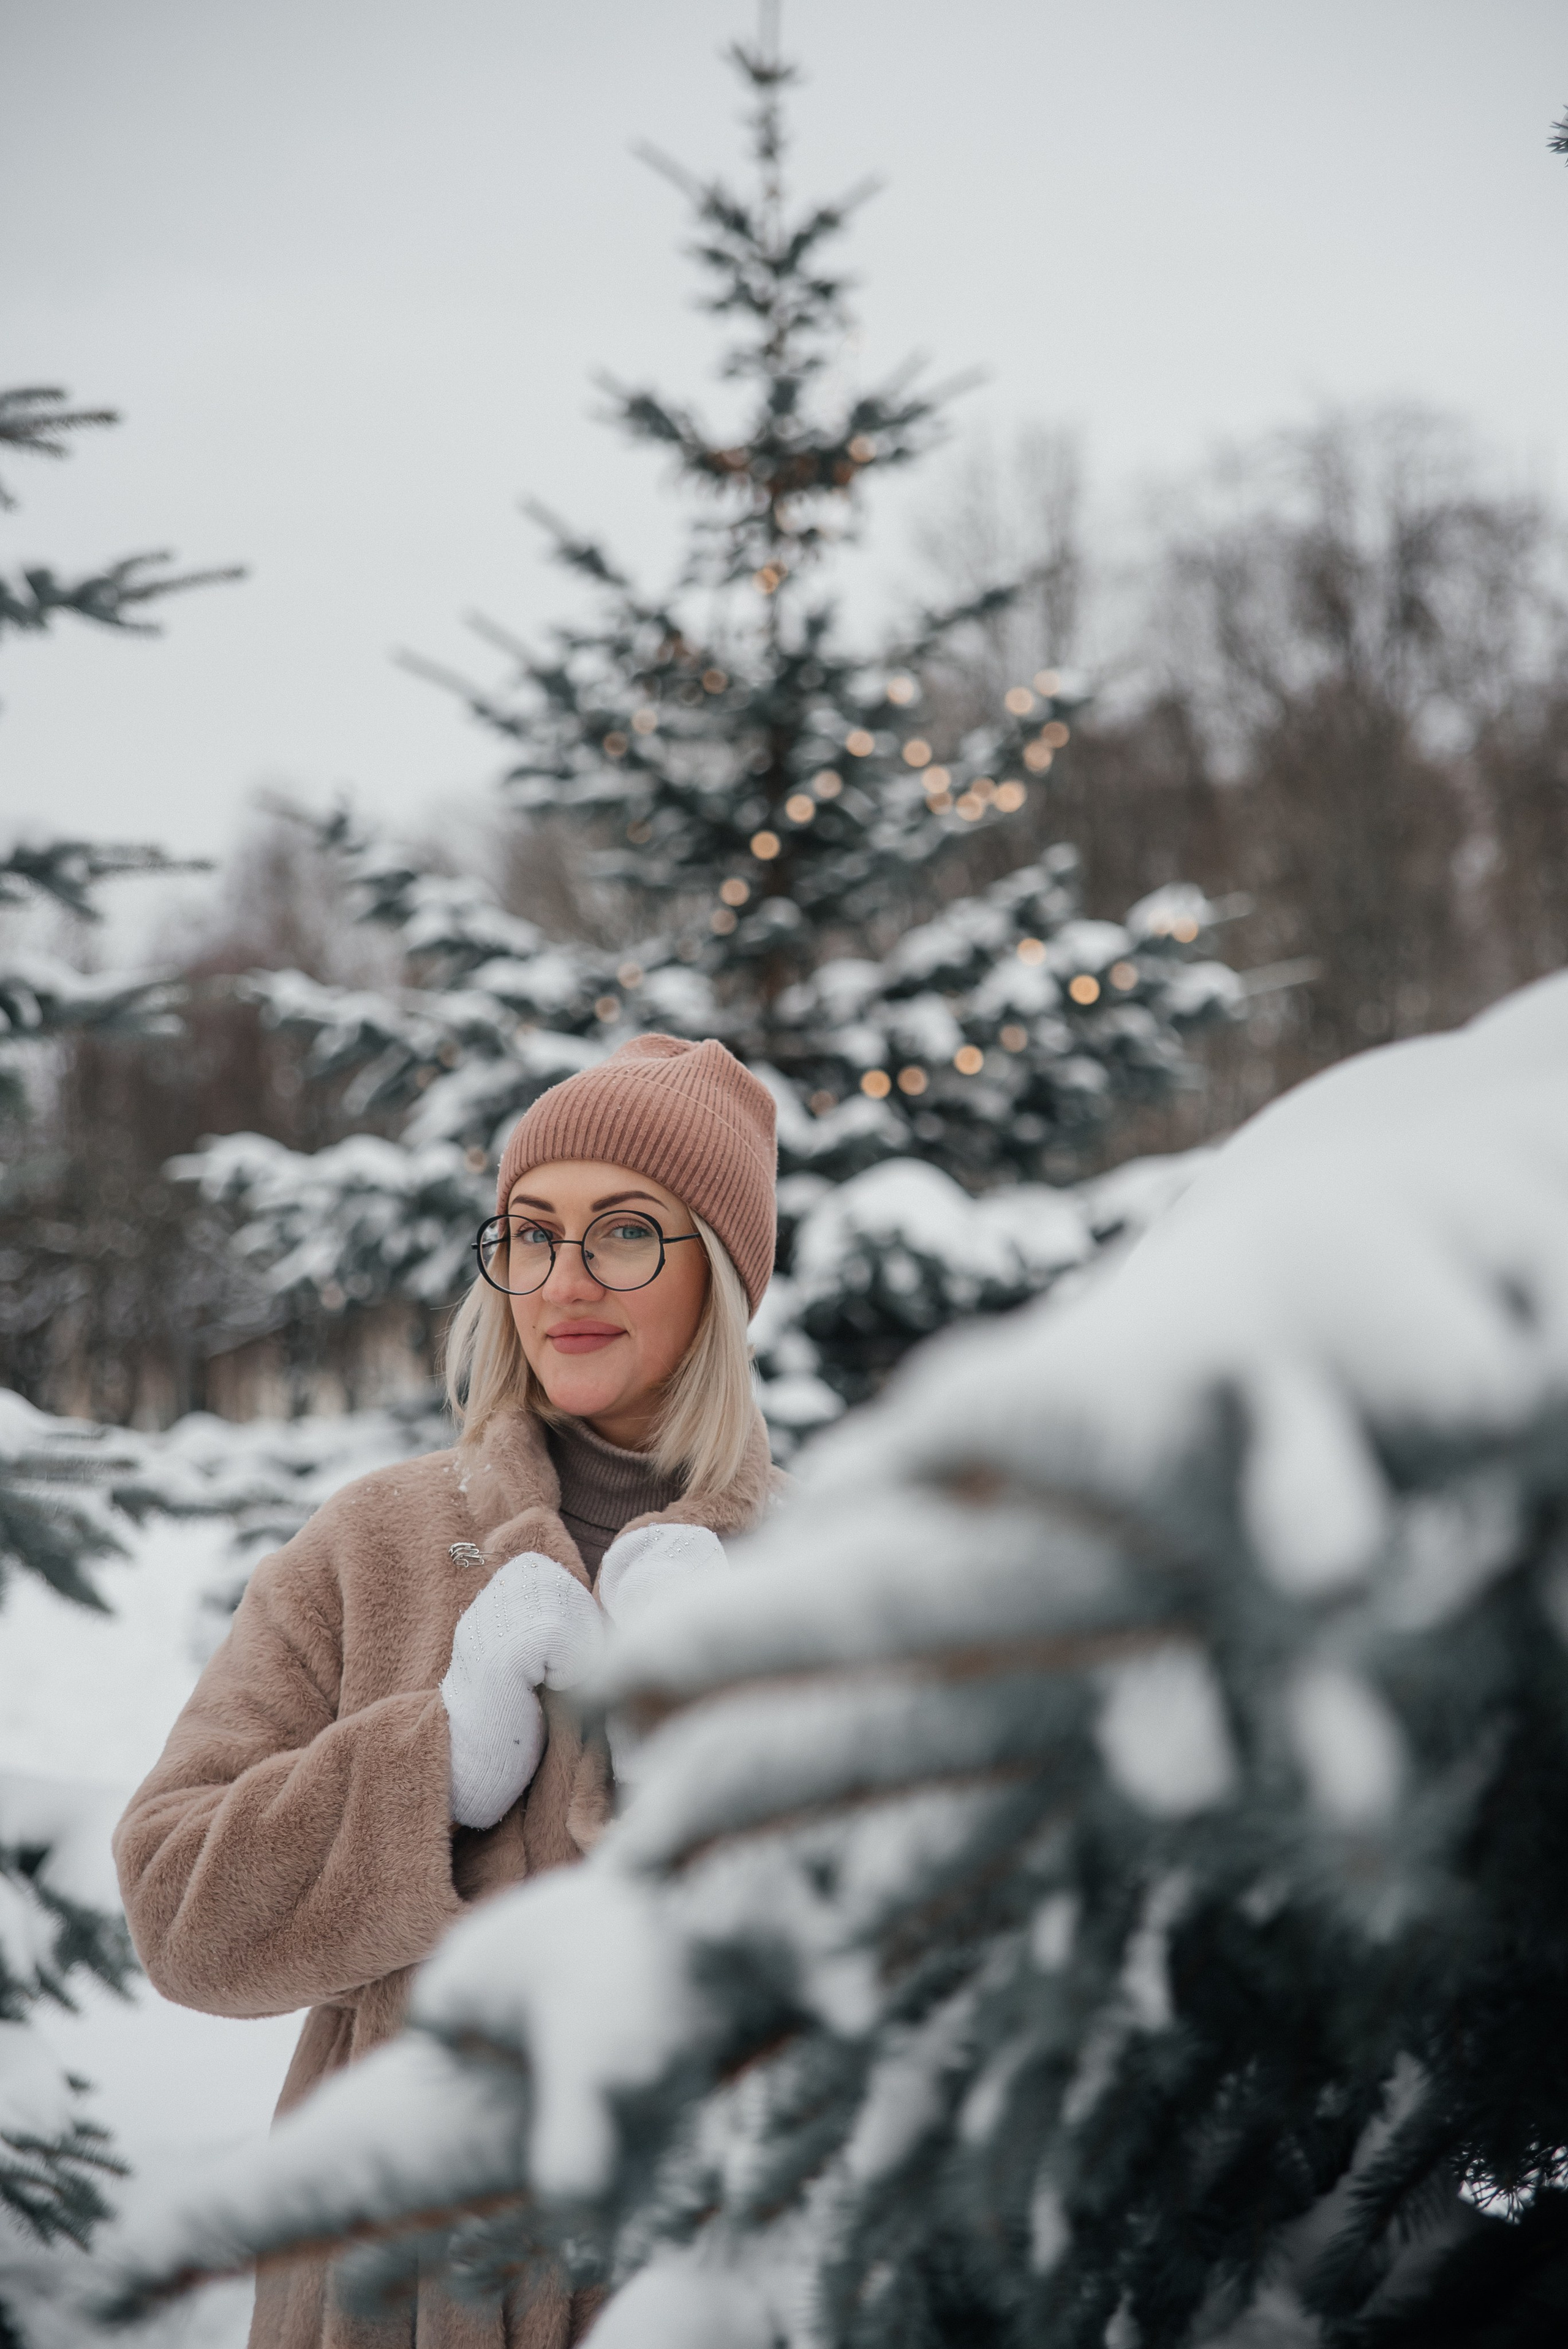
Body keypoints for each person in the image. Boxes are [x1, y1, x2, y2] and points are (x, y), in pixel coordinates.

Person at [113, 1035, 781, 2349]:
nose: (564, 1279)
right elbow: (174, 1904)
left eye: (626, 1233)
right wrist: (438, 1771)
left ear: (721, 1273)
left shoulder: (831, 1573)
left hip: (690, 2288)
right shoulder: (372, 1546)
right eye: (529, 1233)